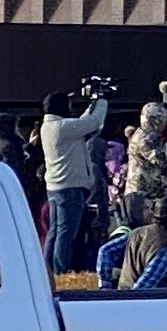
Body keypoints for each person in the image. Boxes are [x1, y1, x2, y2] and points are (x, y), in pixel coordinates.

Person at [41, 86, 111, 275]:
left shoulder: (50, 126)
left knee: (55, 232)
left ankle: (47, 270)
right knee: (66, 234)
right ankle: (60, 272)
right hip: (69, 187)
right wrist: (103, 101)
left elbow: (82, 122)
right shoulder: (63, 128)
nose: (71, 107)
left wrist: (92, 104)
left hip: (55, 187)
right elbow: (94, 123)